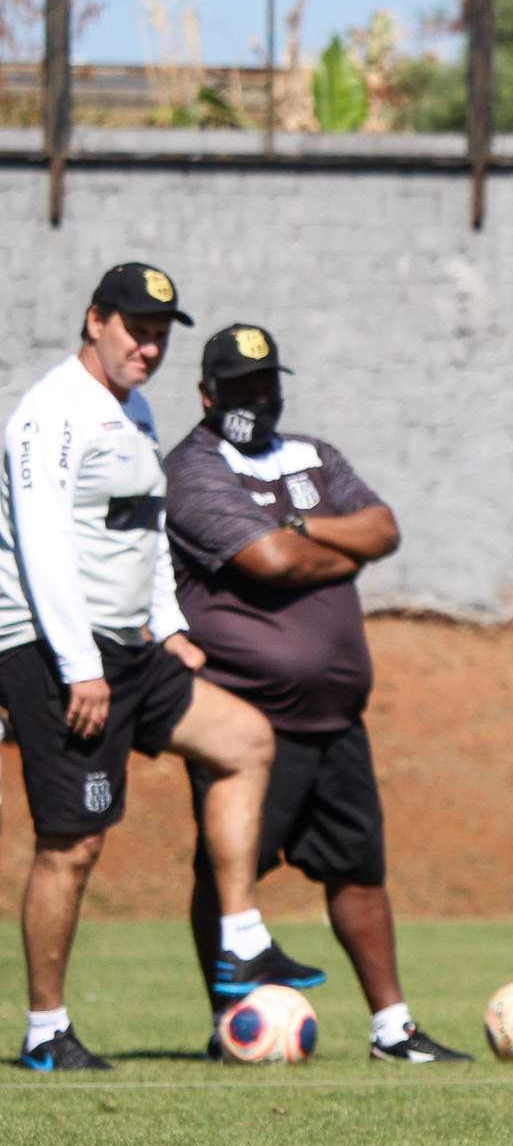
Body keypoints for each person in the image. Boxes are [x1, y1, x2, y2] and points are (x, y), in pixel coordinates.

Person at [0, 268, 322, 1073]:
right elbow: (41, 547)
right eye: (135, 328)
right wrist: (79, 665)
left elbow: (144, 531)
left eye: (160, 333)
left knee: (245, 740)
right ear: (95, 320)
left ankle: (242, 939)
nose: (150, 346)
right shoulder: (49, 415)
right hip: (54, 648)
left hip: (131, 651)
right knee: (72, 845)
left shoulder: (133, 409)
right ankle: (46, 1033)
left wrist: (171, 627)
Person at [162, 322, 468, 1062]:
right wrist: (333, 550)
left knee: (359, 871)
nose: (256, 399)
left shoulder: (315, 454)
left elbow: (384, 528)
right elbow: (270, 561)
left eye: (266, 384)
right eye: (240, 387)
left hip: (337, 718)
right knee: (227, 872)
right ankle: (230, 1020)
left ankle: (393, 1028)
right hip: (247, 719)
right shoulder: (195, 467)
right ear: (208, 393)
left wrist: (303, 526)